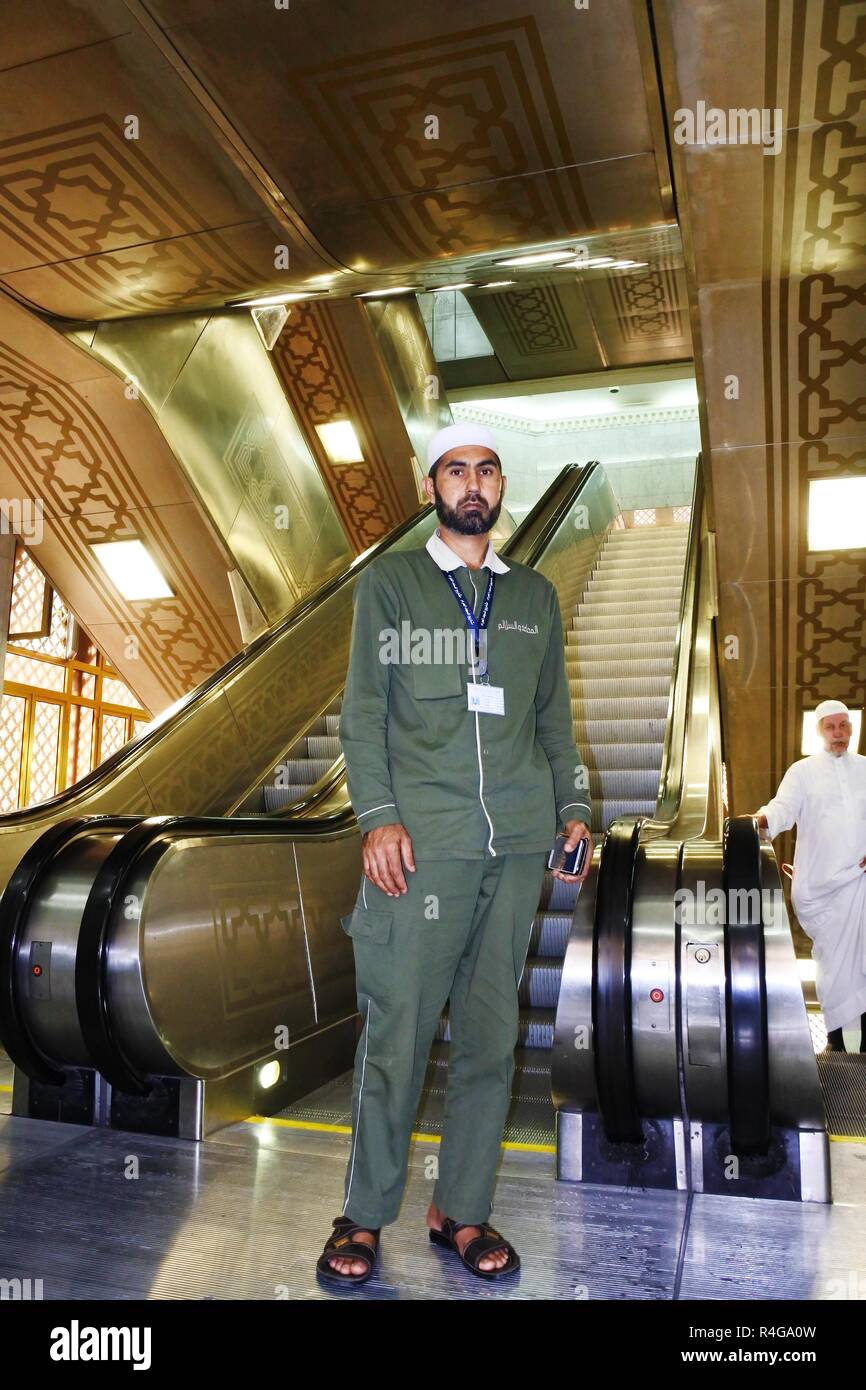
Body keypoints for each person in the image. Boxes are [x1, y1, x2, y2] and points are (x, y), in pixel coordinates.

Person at [316, 422, 593, 1286]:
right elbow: (364, 713)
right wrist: (379, 815)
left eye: (488, 472)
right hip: (420, 847)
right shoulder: (394, 585)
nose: (473, 484)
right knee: (395, 1033)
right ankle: (362, 1215)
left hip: (513, 846)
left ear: (503, 489)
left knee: (489, 1041)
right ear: (431, 484)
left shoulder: (534, 600)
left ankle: (461, 1210)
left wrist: (574, 808)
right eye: (457, 470)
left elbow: (552, 720)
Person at [755, 699, 866, 1053]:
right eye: (831, 727)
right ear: (819, 731)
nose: (839, 733)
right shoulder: (802, 772)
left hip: (861, 882)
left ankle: (861, 1046)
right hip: (823, 890)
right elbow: (783, 809)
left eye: (844, 726)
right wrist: (759, 822)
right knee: (833, 964)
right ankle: (836, 1040)